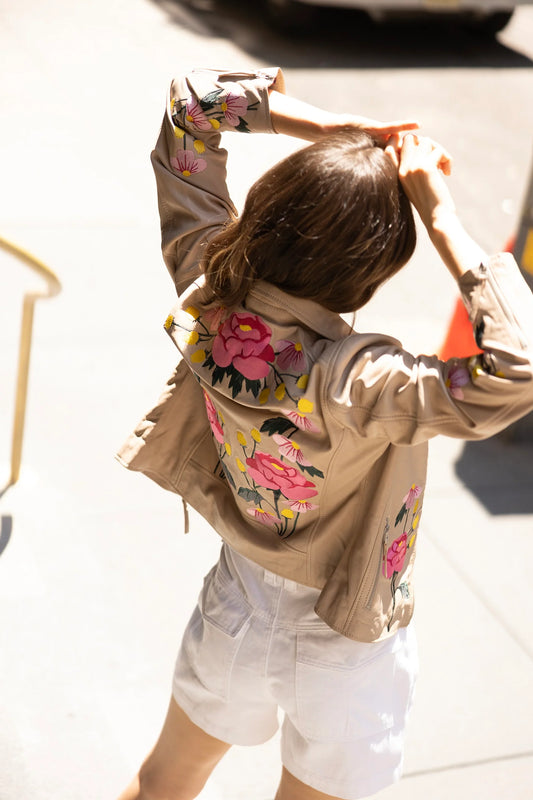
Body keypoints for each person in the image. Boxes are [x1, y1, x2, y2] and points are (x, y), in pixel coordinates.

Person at [116, 68, 533, 800]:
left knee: (163, 783)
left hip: (237, 606)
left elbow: (189, 105)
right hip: (345, 640)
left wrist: (337, 129)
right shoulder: (362, 380)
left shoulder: (205, 290)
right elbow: (517, 368)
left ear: (269, 209)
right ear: (367, 275)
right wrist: (441, 219)